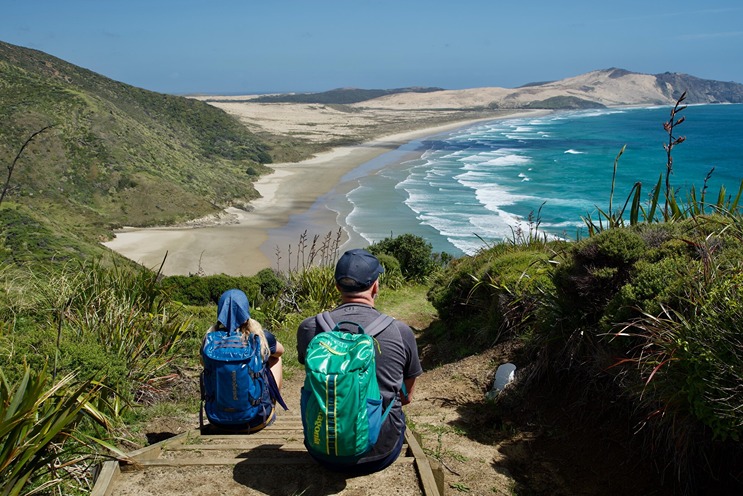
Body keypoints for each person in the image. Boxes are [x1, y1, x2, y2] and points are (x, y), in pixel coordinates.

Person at [296, 248, 423, 474]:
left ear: (337, 286)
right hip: (381, 452)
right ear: (375, 286)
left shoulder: (309, 327)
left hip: (321, 450)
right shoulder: (400, 331)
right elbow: (407, 397)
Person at [204, 288, 285, 432]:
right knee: (276, 359)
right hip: (256, 420)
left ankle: (224, 411)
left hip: (218, 420)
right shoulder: (260, 337)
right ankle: (269, 404)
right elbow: (280, 351)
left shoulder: (209, 341)